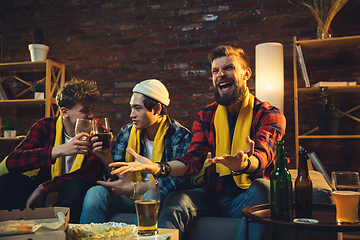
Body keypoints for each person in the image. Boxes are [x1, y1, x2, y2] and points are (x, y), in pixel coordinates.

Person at [110, 45, 286, 240]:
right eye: (215, 71)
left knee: (264, 187)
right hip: (212, 196)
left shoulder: (270, 114)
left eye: (228, 68)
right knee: (176, 200)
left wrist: (244, 163)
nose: (221, 74)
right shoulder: (206, 115)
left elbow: (263, 155)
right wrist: (158, 168)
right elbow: (192, 160)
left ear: (246, 73)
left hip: (246, 198)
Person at [80, 79, 192, 224]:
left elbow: (177, 182)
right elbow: (117, 176)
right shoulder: (127, 132)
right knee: (95, 193)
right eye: (131, 108)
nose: (132, 114)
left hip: (160, 197)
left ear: (157, 109)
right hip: (129, 196)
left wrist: (135, 188)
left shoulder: (180, 136)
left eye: (137, 109)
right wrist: (106, 157)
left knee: (150, 195)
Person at [0, 79, 105, 223]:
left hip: (71, 192)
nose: (92, 114)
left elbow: (92, 173)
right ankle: (15, 231)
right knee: (7, 181)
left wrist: (44, 188)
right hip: (41, 187)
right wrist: (56, 151)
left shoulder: (99, 131)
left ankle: (64, 233)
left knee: (76, 184)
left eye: (92, 108)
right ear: (64, 111)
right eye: (85, 110)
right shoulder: (45, 126)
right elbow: (13, 161)